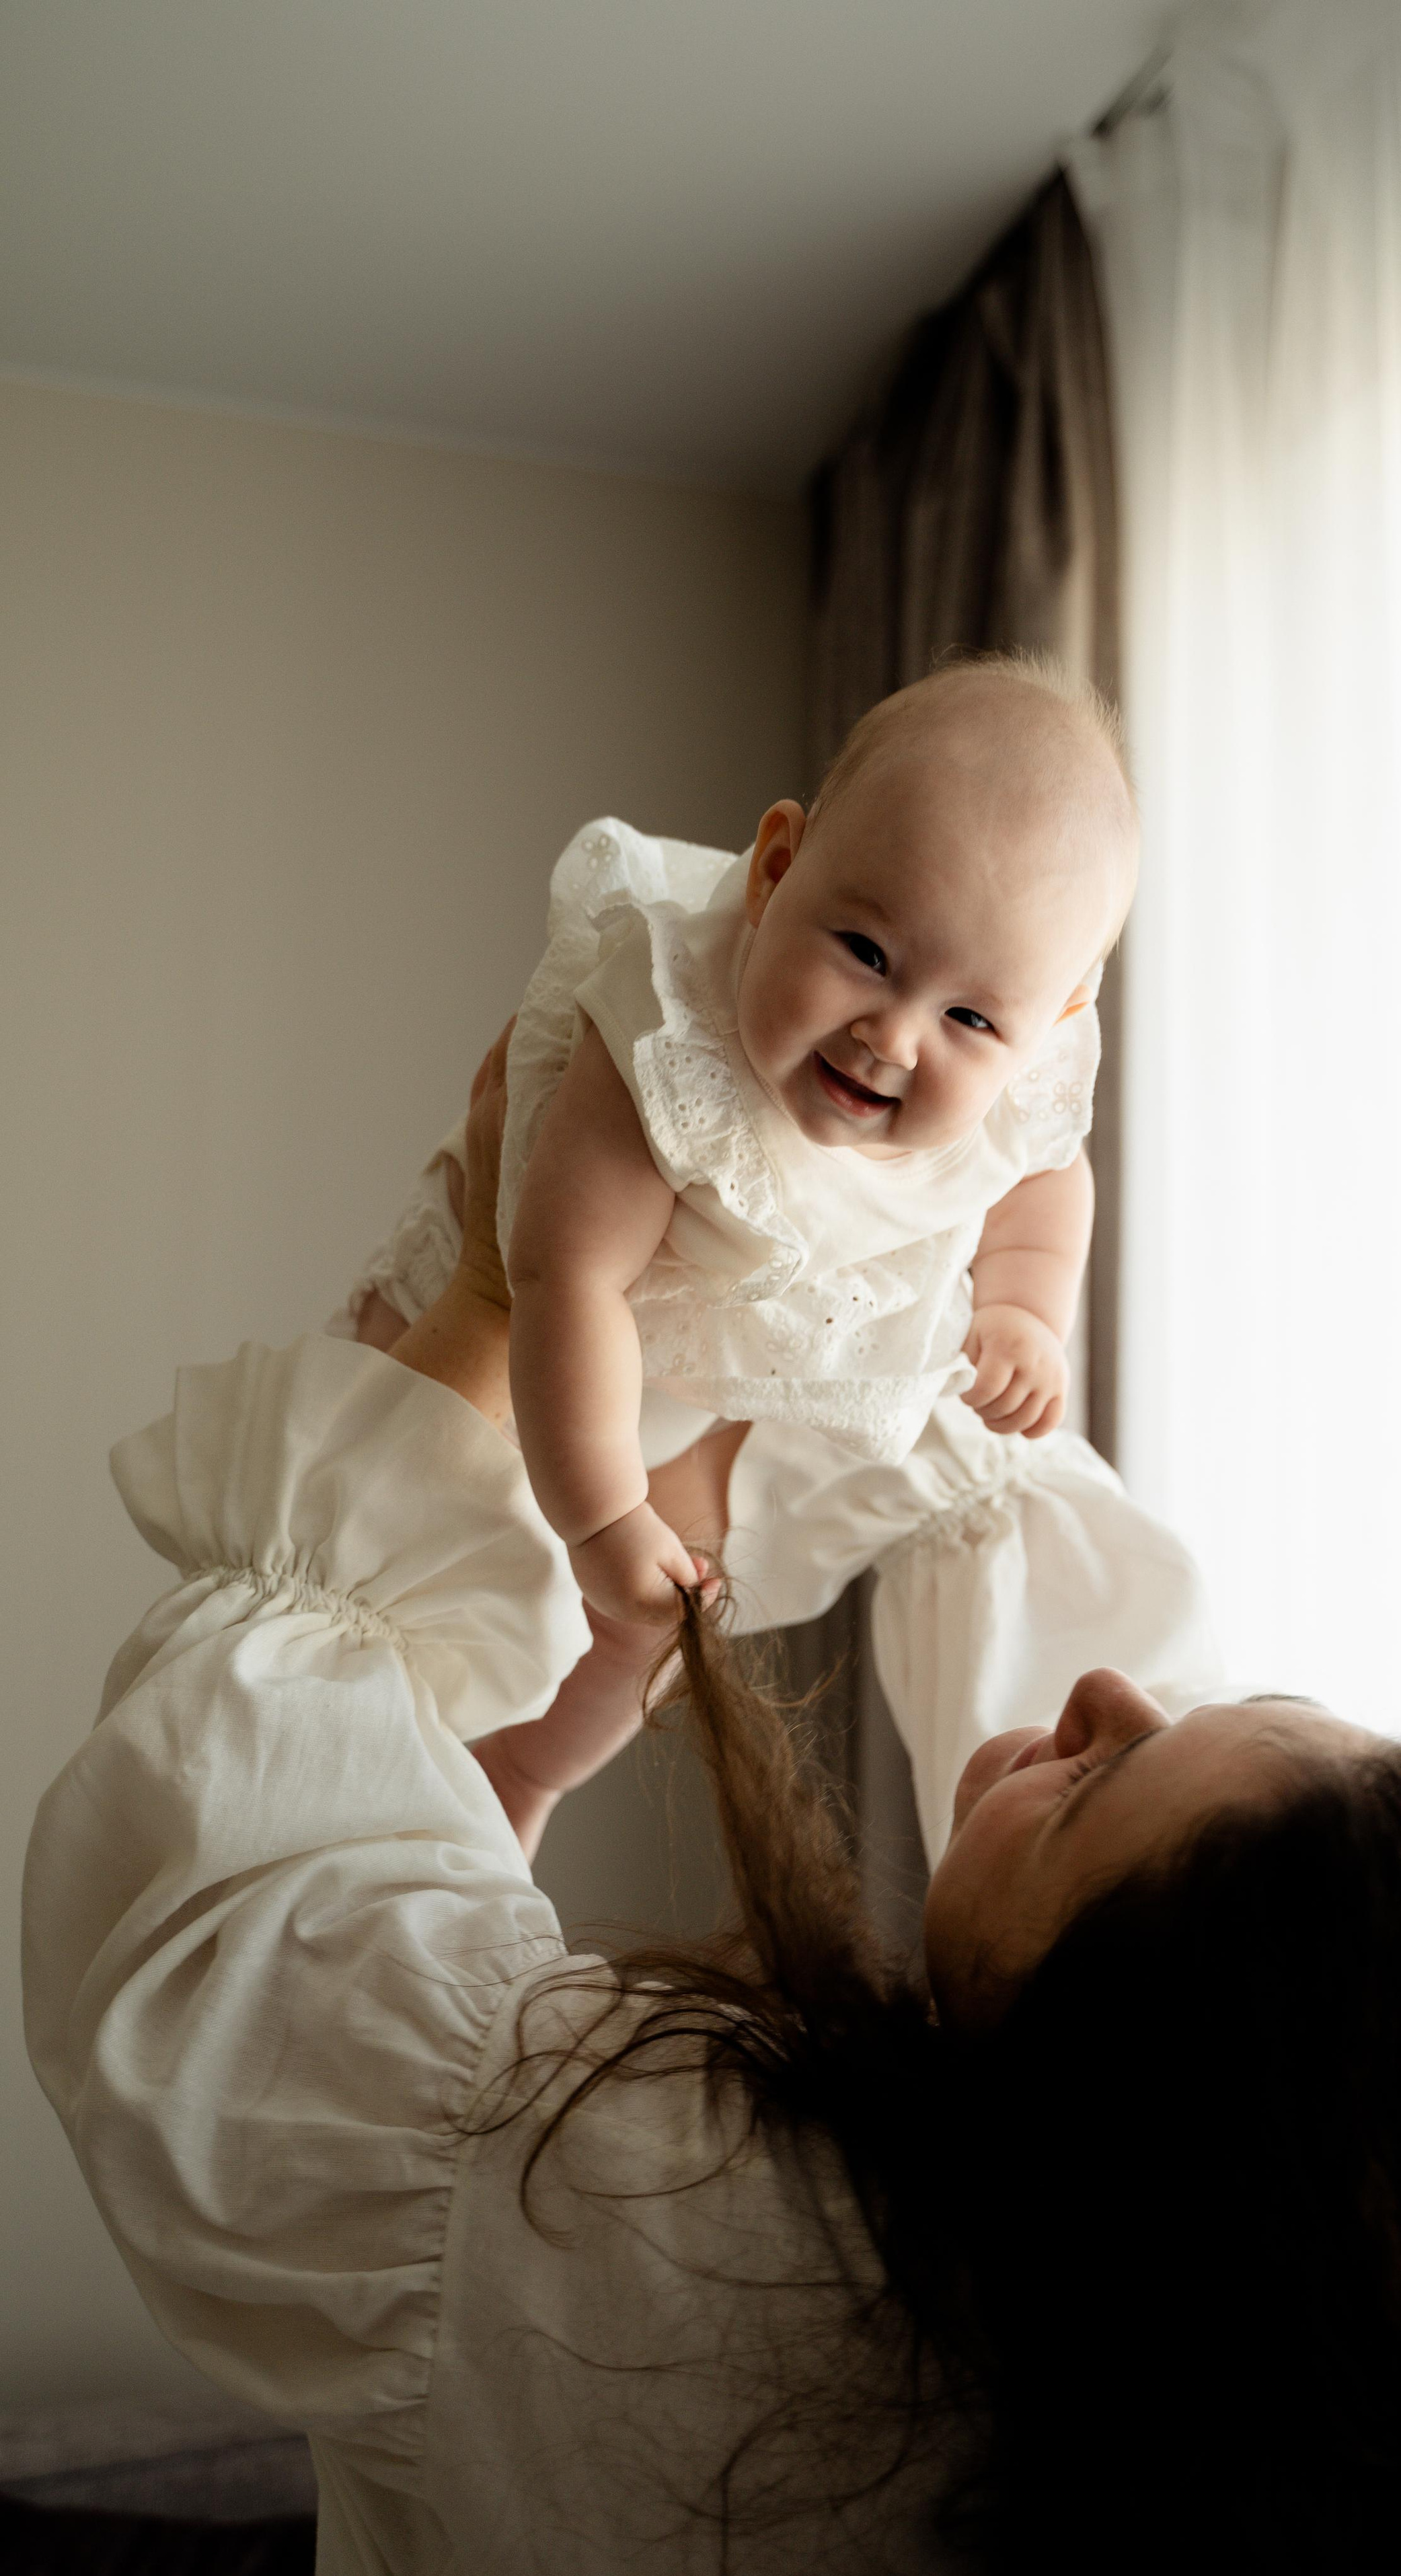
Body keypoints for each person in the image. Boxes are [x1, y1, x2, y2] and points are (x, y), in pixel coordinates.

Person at [26, 1043, 1401, 2576]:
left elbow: (236, 1939)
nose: (1108, 1693)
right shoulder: (1288, 2354)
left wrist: (493, 1291)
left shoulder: (684, 2262)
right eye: (1218, 1709)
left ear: (1099, 2107)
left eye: (1101, 1775)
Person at [334, 654, 1220, 1862]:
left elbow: (1047, 1172)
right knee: (394, 1565)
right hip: (501, 1309)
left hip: (691, 1367)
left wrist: (1023, 1308)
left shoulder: (1020, 1075)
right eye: (866, 950)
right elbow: (563, 1277)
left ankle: (524, 1776)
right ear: (775, 868)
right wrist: (601, 1519)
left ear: (1050, 1023)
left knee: (668, 1606)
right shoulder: (667, 1033)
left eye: (969, 1019)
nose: (894, 1035)